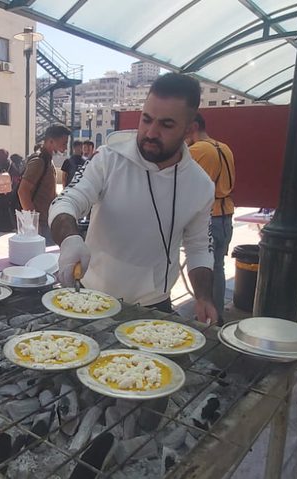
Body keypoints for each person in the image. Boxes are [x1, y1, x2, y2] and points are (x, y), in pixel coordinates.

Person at [49, 73, 218, 323]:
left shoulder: (201, 185)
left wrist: (203, 298)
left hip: (153, 305)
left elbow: (199, 247)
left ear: (189, 129)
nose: (150, 132)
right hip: (91, 297)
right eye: (146, 119)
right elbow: (66, 201)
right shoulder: (108, 158)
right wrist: (70, 239)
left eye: (166, 125)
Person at [187, 112, 236, 323]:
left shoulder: (196, 150)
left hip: (208, 216)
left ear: (193, 127)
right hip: (226, 215)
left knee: (205, 267)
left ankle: (209, 315)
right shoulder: (224, 147)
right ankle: (218, 314)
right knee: (218, 266)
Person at [18, 125, 71, 245]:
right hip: (40, 223)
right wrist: (34, 223)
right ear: (51, 141)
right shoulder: (39, 160)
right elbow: (23, 192)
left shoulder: (47, 159)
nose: (65, 147)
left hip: (46, 219)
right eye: (63, 143)